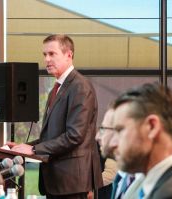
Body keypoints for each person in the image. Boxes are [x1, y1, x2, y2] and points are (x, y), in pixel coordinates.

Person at [9, 34, 103, 199]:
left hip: (71, 181)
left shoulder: (80, 86)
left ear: (69, 55)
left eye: (52, 54)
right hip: (57, 181)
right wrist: (22, 147)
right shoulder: (58, 87)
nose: (47, 59)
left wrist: (33, 149)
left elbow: (75, 136)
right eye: (44, 54)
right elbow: (52, 136)